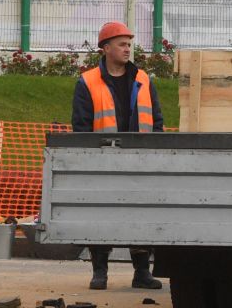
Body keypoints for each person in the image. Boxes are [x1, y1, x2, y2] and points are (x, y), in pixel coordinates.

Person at [71, 21, 164, 291]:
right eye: (122, 44)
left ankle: (142, 272)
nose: (127, 49)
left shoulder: (143, 79)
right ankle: (100, 272)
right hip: (103, 161)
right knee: (101, 215)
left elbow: (156, 120)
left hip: (140, 159)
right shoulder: (88, 81)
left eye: (129, 45)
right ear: (106, 48)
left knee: (141, 214)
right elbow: (81, 126)